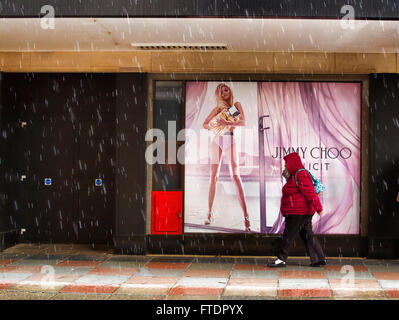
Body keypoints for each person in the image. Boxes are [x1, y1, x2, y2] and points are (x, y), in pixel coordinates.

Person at [202, 83, 251, 232]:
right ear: (218, 95)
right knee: (214, 177)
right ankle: (209, 213)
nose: (224, 93)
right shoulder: (218, 108)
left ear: (229, 91)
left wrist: (227, 122)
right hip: (217, 139)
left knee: (235, 176)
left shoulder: (236, 105)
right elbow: (205, 124)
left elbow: (243, 122)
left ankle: (246, 217)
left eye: (225, 90)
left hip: (229, 138)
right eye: (221, 92)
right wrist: (215, 125)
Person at [268, 152, 326, 267]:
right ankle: (319, 258)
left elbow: (310, 193)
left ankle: (281, 259)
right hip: (302, 212)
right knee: (307, 235)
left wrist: (319, 208)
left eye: (286, 165)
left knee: (288, 235)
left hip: (298, 213)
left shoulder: (301, 174)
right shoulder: (295, 176)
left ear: (292, 163)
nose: (285, 167)